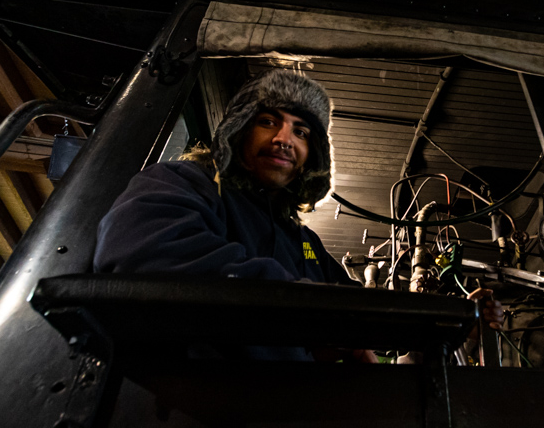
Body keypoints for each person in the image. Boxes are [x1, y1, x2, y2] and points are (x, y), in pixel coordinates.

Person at [94, 69, 502, 361]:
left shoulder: (304, 243)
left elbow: (363, 314)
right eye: (268, 122)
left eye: (301, 132)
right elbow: (144, 257)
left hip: (285, 422)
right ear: (238, 131)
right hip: (187, 407)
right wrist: (310, 306)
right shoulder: (187, 182)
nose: (283, 139)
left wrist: (455, 318)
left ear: (312, 158)